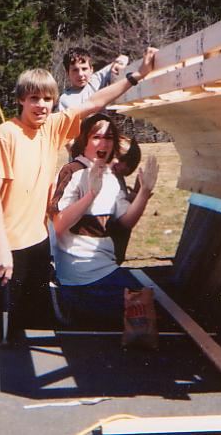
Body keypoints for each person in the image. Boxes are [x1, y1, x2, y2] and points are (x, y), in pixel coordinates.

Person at [0, 47, 158, 341]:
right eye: (34, 98)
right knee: (0, 328)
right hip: (7, 244)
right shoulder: (6, 134)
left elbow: (96, 100)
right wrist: (2, 248)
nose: (41, 105)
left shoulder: (53, 128)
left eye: (47, 99)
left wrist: (138, 75)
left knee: (30, 317)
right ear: (21, 99)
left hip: (38, 244)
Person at [48, 113, 158, 327]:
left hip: (104, 270)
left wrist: (144, 192)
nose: (103, 143)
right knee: (143, 314)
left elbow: (125, 222)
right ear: (84, 140)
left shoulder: (113, 177)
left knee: (147, 308)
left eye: (109, 138)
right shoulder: (72, 172)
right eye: (96, 136)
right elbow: (59, 225)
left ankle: (78, 310)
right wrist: (90, 195)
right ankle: (66, 303)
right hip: (79, 275)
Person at [58, 47, 129, 112]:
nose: (80, 74)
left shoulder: (96, 81)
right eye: (75, 70)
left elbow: (124, 58)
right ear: (67, 73)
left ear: (91, 70)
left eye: (84, 69)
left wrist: (118, 64)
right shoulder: (64, 100)